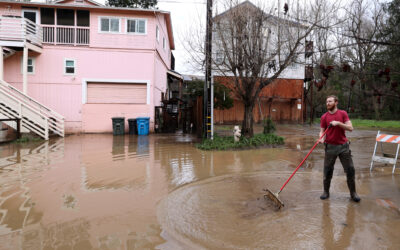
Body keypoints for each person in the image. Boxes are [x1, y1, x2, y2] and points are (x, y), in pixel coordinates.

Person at [318, 95, 360, 202]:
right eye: (327, 102)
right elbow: (322, 131)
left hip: (343, 147)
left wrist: (338, 123)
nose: (328, 103)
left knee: (350, 170)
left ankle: (353, 193)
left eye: (330, 101)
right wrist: (321, 138)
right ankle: (326, 192)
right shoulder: (324, 117)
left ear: (336, 102)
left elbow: (351, 128)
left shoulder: (343, 114)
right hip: (330, 147)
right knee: (327, 171)